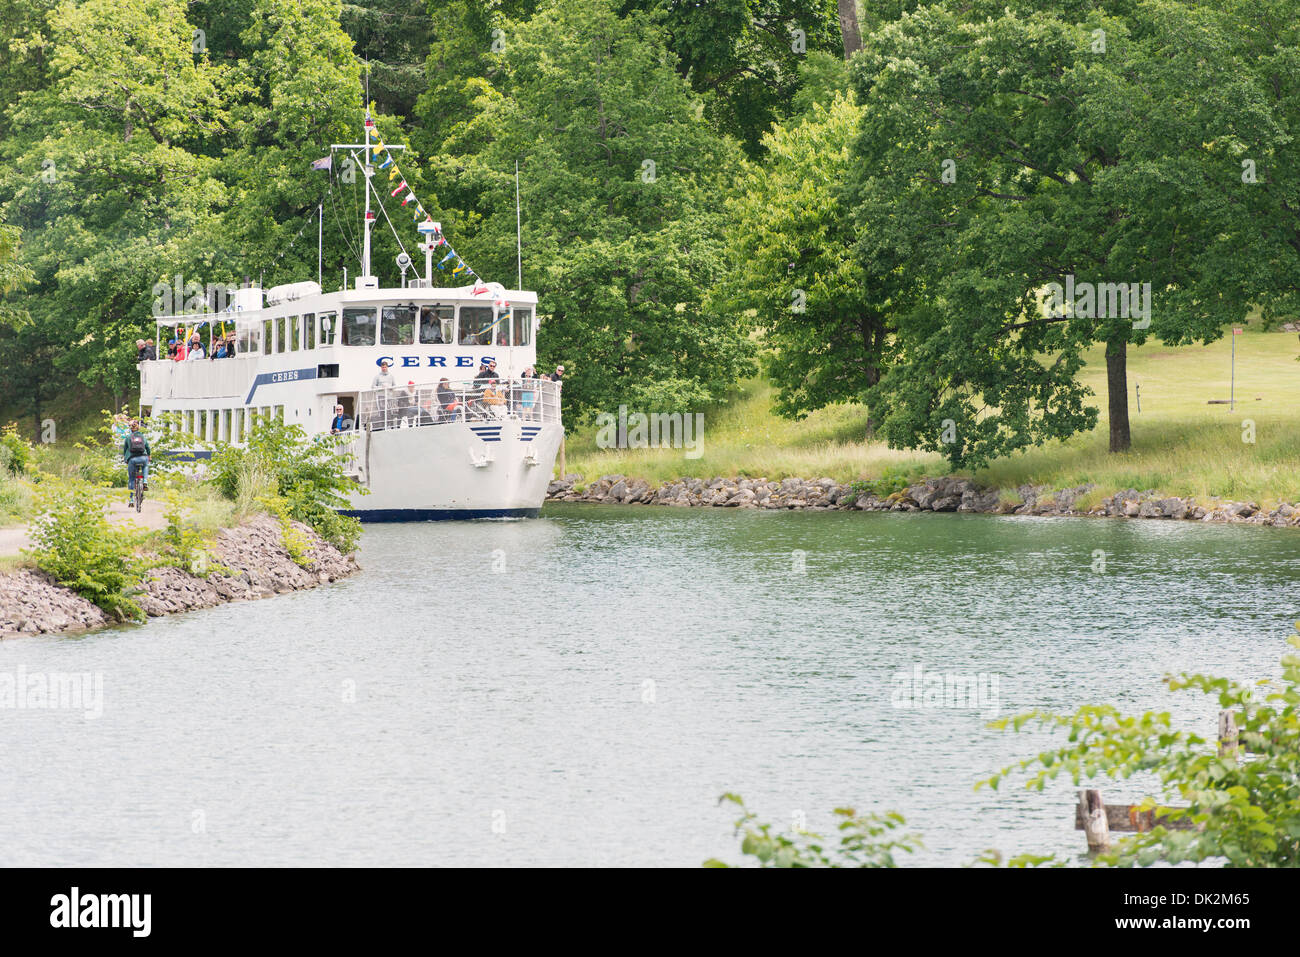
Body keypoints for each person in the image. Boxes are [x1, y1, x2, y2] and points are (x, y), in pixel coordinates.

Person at [122, 420, 150, 494]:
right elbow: (147, 447)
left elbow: (125, 449)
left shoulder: (128, 437)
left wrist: (125, 458)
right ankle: (145, 481)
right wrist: (149, 456)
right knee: (145, 466)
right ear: (138, 428)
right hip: (143, 458)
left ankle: (131, 499)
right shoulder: (143, 436)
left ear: (131, 429)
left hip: (132, 459)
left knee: (131, 479)